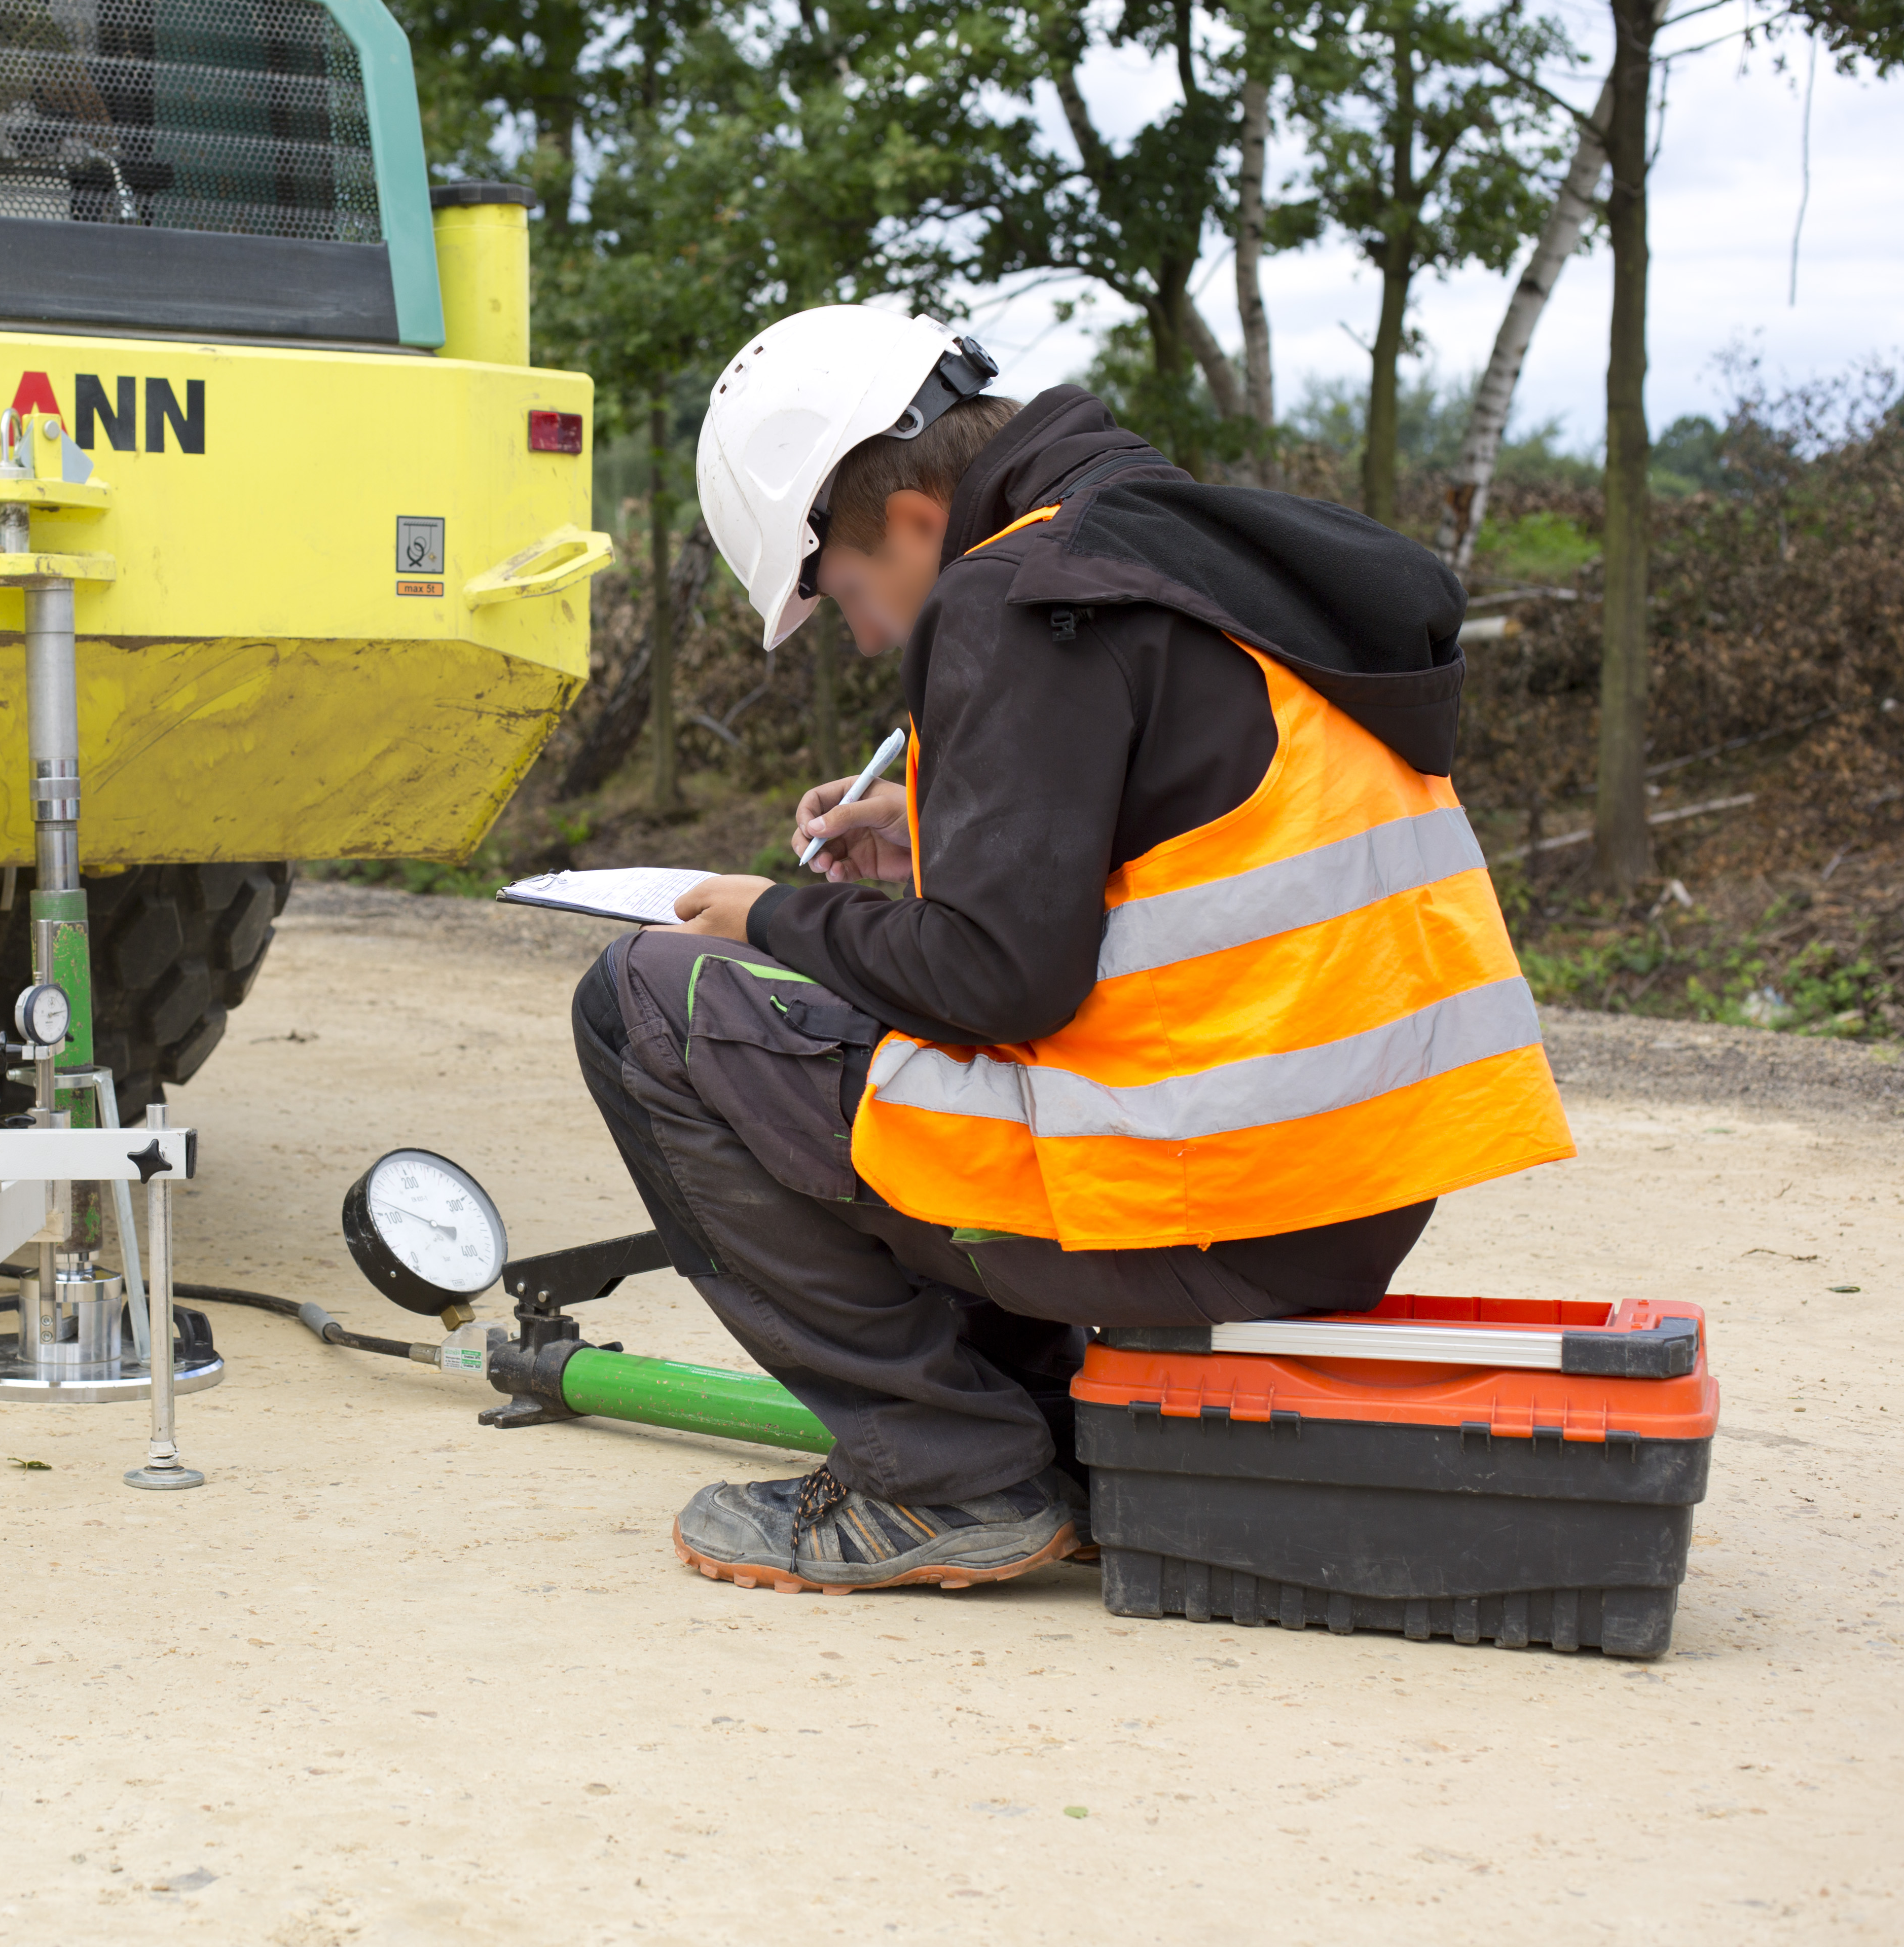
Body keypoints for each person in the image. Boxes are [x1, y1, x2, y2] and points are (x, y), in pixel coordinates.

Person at [572, 308, 1575, 1595]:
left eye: (849, 594)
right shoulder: (1169, 549)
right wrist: (936, 828)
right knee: (898, 1021)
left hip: (1212, 1211)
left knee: (645, 1002)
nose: (867, 638)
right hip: (1338, 1195)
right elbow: (1179, 859)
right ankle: (1052, 1452)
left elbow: (999, 984)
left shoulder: (1012, 597)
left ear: (915, 521)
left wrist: (772, 914)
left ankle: (949, 1475)